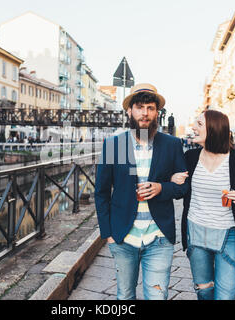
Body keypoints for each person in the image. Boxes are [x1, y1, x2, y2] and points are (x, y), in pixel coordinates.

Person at [95, 83, 188, 300]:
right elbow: (101, 192)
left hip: (159, 238)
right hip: (123, 237)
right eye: (139, 107)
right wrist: (107, 233)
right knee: (125, 296)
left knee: (157, 296)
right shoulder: (113, 145)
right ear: (129, 111)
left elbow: (183, 187)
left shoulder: (172, 144)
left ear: (157, 113)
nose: (144, 113)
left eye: (150, 108)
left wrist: (162, 188)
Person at [171, 110, 235, 300]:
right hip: (196, 231)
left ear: (214, 129)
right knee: (204, 290)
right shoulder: (190, 158)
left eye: (199, 124)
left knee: (226, 295)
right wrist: (172, 179)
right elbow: (179, 192)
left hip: (229, 235)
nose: (193, 127)